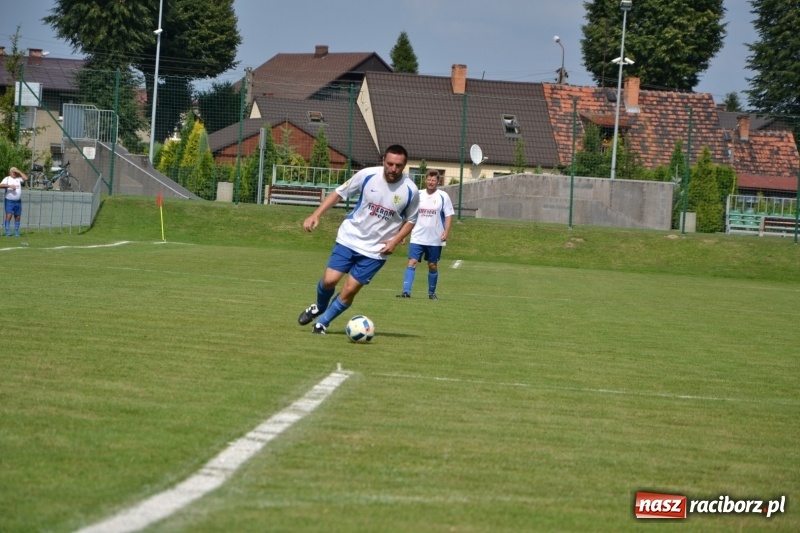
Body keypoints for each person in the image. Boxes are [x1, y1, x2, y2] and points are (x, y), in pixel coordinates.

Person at [297, 144, 420, 334]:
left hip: (376, 250)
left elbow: (411, 220)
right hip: (350, 237)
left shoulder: (411, 190)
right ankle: (320, 307)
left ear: (404, 166)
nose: (393, 169)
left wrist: (395, 241)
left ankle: (322, 323)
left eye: (398, 165)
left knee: (350, 289)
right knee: (329, 281)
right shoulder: (367, 175)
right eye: (390, 164)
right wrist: (316, 215)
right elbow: (339, 193)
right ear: (383, 161)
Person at [397, 170, 454, 300]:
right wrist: (402, 233)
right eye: (429, 179)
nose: (431, 182)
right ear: (425, 180)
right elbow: (409, 215)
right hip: (417, 236)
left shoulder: (443, 196)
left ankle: (431, 293)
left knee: (432, 265)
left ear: (438, 182)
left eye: (433, 180)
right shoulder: (418, 195)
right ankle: (406, 292)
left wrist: (446, 231)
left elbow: (448, 215)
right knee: (412, 262)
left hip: (435, 238)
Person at [1, 166, 27, 237]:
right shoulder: (7, 179)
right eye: (13, 172)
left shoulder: (18, 179)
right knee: (9, 216)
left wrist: (19, 171)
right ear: (10, 172)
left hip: (18, 201)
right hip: (9, 201)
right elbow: (1, 185)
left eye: (15, 172)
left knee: (17, 217)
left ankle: (16, 232)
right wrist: (9, 186)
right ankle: (7, 232)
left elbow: (26, 178)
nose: (14, 173)